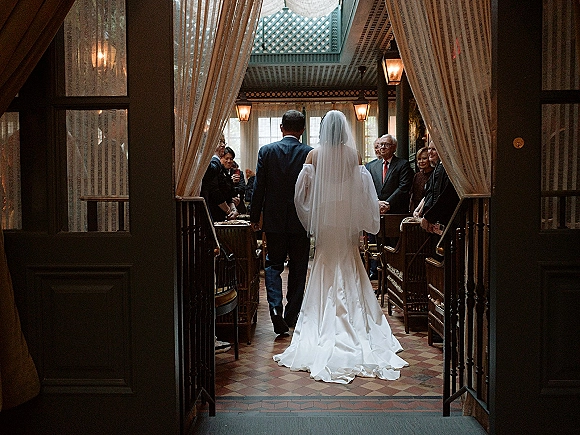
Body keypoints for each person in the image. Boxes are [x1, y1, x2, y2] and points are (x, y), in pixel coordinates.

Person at [273, 110, 408, 384]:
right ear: (344, 129)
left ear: (324, 129)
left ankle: (322, 323)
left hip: (325, 220)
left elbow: (302, 194)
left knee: (324, 263)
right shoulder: (353, 156)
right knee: (349, 263)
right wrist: (361, 220)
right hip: (345, 221)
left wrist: (311, 215)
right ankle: (359, 328)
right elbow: (363, 191)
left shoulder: (314, 155)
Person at [250, 110, 312, 335]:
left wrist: (254, 217)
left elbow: (259, 187)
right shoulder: (310, 153)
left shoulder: (266, 151)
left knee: (273, 265)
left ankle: (275, 308)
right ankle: (291, 314)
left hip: (274, 220)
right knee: (298, 267)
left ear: (281, 127)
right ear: (302, 130)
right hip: (301, 220)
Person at [365, 134, 413, 276]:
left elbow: (404, 187)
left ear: (394, 147)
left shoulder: (402, 164)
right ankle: (378, 273)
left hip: (395, 213)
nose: (382, 147)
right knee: (377, 244)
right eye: (380, 145)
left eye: (386, 144)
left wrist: (388, 204)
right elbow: (367, 187)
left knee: (393, 246)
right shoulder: (371, 166)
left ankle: (394, 275)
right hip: (376, 211)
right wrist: (376, 203)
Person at [200, 136, 238, 222]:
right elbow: (214, 191)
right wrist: (228, 211)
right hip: (213, 214)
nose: (223, 145)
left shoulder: (223, 170)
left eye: (224, 142)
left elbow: (228, 195)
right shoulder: (212, 164)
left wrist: (234, 210)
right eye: (220, 142)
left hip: (223, 216)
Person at [409, 146, 433, 213]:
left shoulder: (434, 174)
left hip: (428, 210)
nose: (421, 161)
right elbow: (413, 196)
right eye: (419, 159)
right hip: (416, 211)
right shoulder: (417, 175)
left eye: (424, 158)